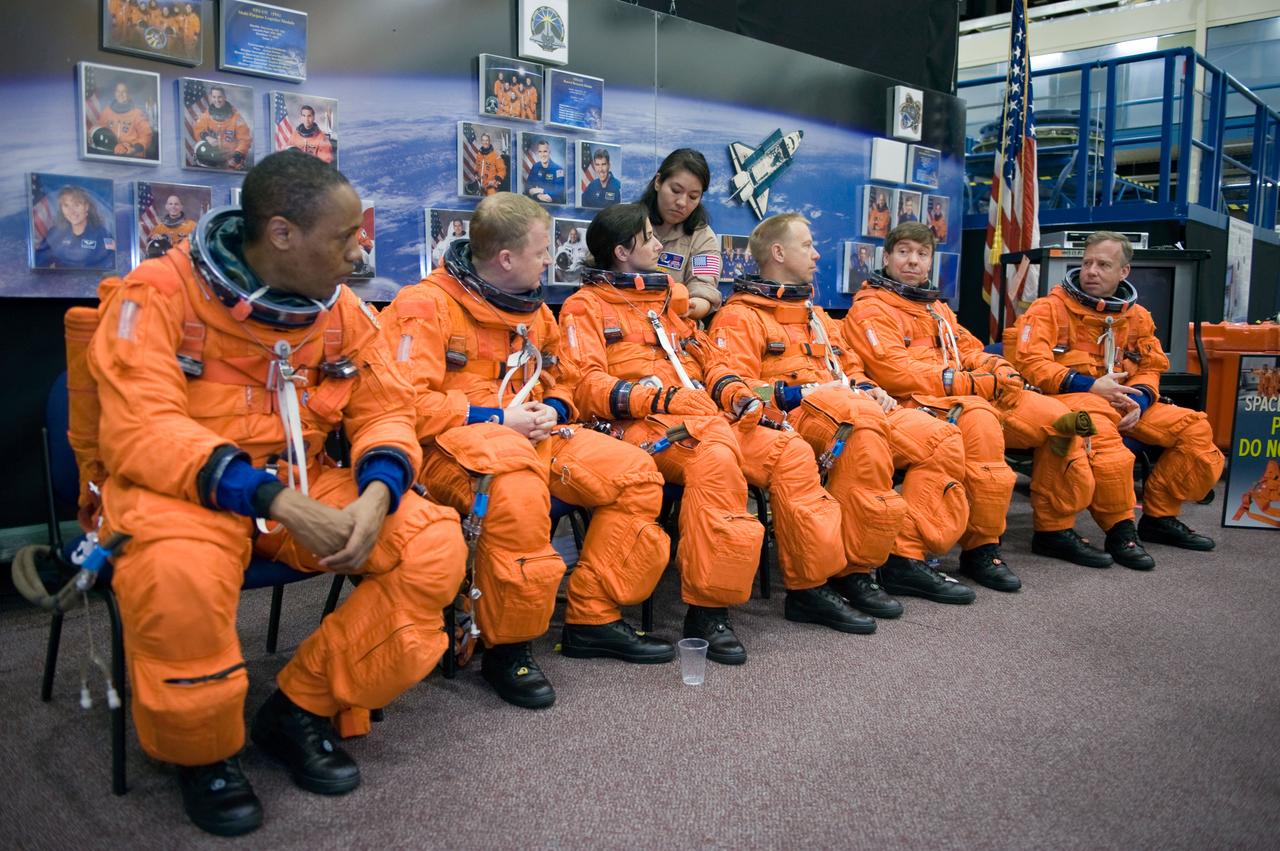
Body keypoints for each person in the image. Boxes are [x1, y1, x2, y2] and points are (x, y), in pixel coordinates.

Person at [84, 150, 465, 836]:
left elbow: (386, 409)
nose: (361, 250)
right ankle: (204, 755)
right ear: (282, 234)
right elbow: (141, 430)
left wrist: (378, 494)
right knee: (178, 575)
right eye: (344, 237)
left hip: (300, 479)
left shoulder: (342, 312)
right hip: (185, 490)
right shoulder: (157, 295)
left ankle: (300, 707)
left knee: (432, 545)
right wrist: (274, 500)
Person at [379, 193, 675, 710]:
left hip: (533, 436)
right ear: (506, 258)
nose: (550, 261)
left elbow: (564, 378)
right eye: (541, 252)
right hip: (451, 450)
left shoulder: (535, 312)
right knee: (517, 495)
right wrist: (494, 418)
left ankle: (593, 617)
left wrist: (555, 409)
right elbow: (400, 406)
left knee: (636, 473)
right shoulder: (422, 307)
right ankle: (506, 647)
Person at [562, 203, 878, 658]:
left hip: (704, 416)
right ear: (621, 251)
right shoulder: (584, 307)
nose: (660, 244)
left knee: (789, 452)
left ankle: (810, 587)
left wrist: (737, 394)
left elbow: (711, 361)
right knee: (714, 457)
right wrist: (661, 399)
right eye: (649, 237)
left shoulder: (666, 304)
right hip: (640, 427)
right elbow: (585, 384)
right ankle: (707, 611)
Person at [710, 213, 992, 609]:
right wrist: (806, 391)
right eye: (807, 245)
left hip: (849, 408)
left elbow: (850, 367)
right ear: (778, 253)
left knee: (939, 438)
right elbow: (737, 391)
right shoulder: (739, 316)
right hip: (794, 418)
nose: (816, 254)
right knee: (859, 425)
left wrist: (869, 389)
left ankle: (904, 557)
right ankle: (852, 572)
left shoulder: (816, 315)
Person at [844, 222, 1107, 582]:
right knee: (981, 425)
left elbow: (968, 349)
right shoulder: (871, 309)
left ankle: (1055, 529)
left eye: (922, 254)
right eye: (903, 252)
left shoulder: (935, 308)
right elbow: (896, 373)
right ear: (886, 257)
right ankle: (981, 548)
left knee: (1060, 418)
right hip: (912, 404)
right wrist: (973, 383)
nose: (913, 261)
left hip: (964, 395)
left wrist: (1000, 369)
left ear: (931, 261)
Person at [1005, 231, 1225, 556]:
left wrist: (1140, 400)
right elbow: (1031, 363)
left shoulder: (1137, 317)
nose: (1091, 271)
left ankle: (1160, 517)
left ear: (1124, 272)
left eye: (1103, 265)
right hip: (1069, 398)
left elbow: (1151, 365)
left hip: (1124, 401)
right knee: (1107, 442)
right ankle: (1120, 529)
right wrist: (1090, 385)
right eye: (1087, 263)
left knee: (1194, 428)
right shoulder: (1049, 310)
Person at [640, 148, 722, 321]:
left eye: (693, 196)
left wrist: (692, 306)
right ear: (658, 182)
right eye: (676, 190)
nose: (682, 203)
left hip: (676, 324)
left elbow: (705, 290)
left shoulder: (704, 238)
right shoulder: (626, 221)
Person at [33, 185, 115, 269]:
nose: (71, 211)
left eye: (76, 205)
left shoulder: (102, 234)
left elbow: (109, 265)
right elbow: (39, 262)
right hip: (61, 277)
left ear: (86, 206)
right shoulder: (54, 233)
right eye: (66, 206)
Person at [191, 85, 252, 170]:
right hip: (213, 161)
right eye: (214, 97)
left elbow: (245, 139)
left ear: (224, 97)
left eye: (219, 97)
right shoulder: (206, 115)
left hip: (231, 162)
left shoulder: (236, 118)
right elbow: (198, 129)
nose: (217, 100)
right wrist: (207, 137)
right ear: (211, 98)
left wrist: (237, 155)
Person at [95, 80, 153, 159]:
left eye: (124, 91)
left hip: (133, 156)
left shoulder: (137, 113)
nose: (121, 94)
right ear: (115, 93)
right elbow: (98, 130)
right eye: (118, 91)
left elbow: (146, 135)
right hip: (110, 154)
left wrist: (135, 149)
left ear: (128, 94)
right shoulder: (106, 112)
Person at [524, 139, 566, 204]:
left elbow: (559, 192)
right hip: (536, 204)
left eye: (545, 151)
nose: (542, 154)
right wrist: (538, 196)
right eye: (540, 152)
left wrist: (541, 190)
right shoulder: (535, 167)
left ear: (549, 152)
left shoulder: (558, 169)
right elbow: (527, 187)